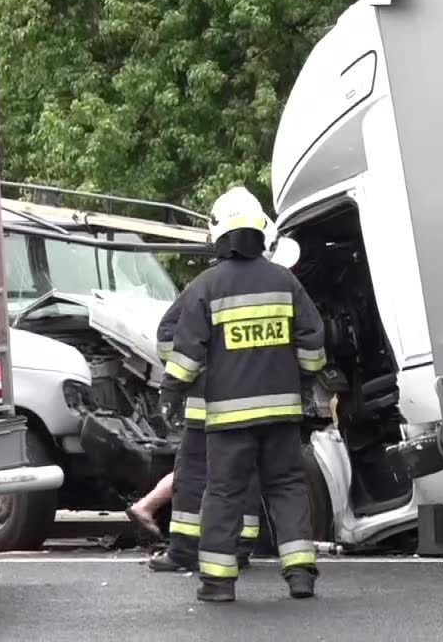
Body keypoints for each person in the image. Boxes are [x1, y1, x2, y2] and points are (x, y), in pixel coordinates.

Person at [160, 186, 326, 603]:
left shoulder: (207, 286)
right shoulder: (285, 281)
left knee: (223, 493)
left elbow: (185, 354)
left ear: (219, 233)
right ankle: (300, 574)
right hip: (282, 414)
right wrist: (303, 378)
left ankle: (218, 583)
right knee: (287, 487)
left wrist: (171, 395)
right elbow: (313, 341)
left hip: (228, 420)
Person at [144, 287, 263, 573]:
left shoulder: (205, 286)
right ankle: (239, 548)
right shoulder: (273, 285)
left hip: (207, 406)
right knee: (244, 473)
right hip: (253, 405)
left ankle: (185, 551)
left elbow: (167, 339)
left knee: (193, 474)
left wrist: (192, 372)